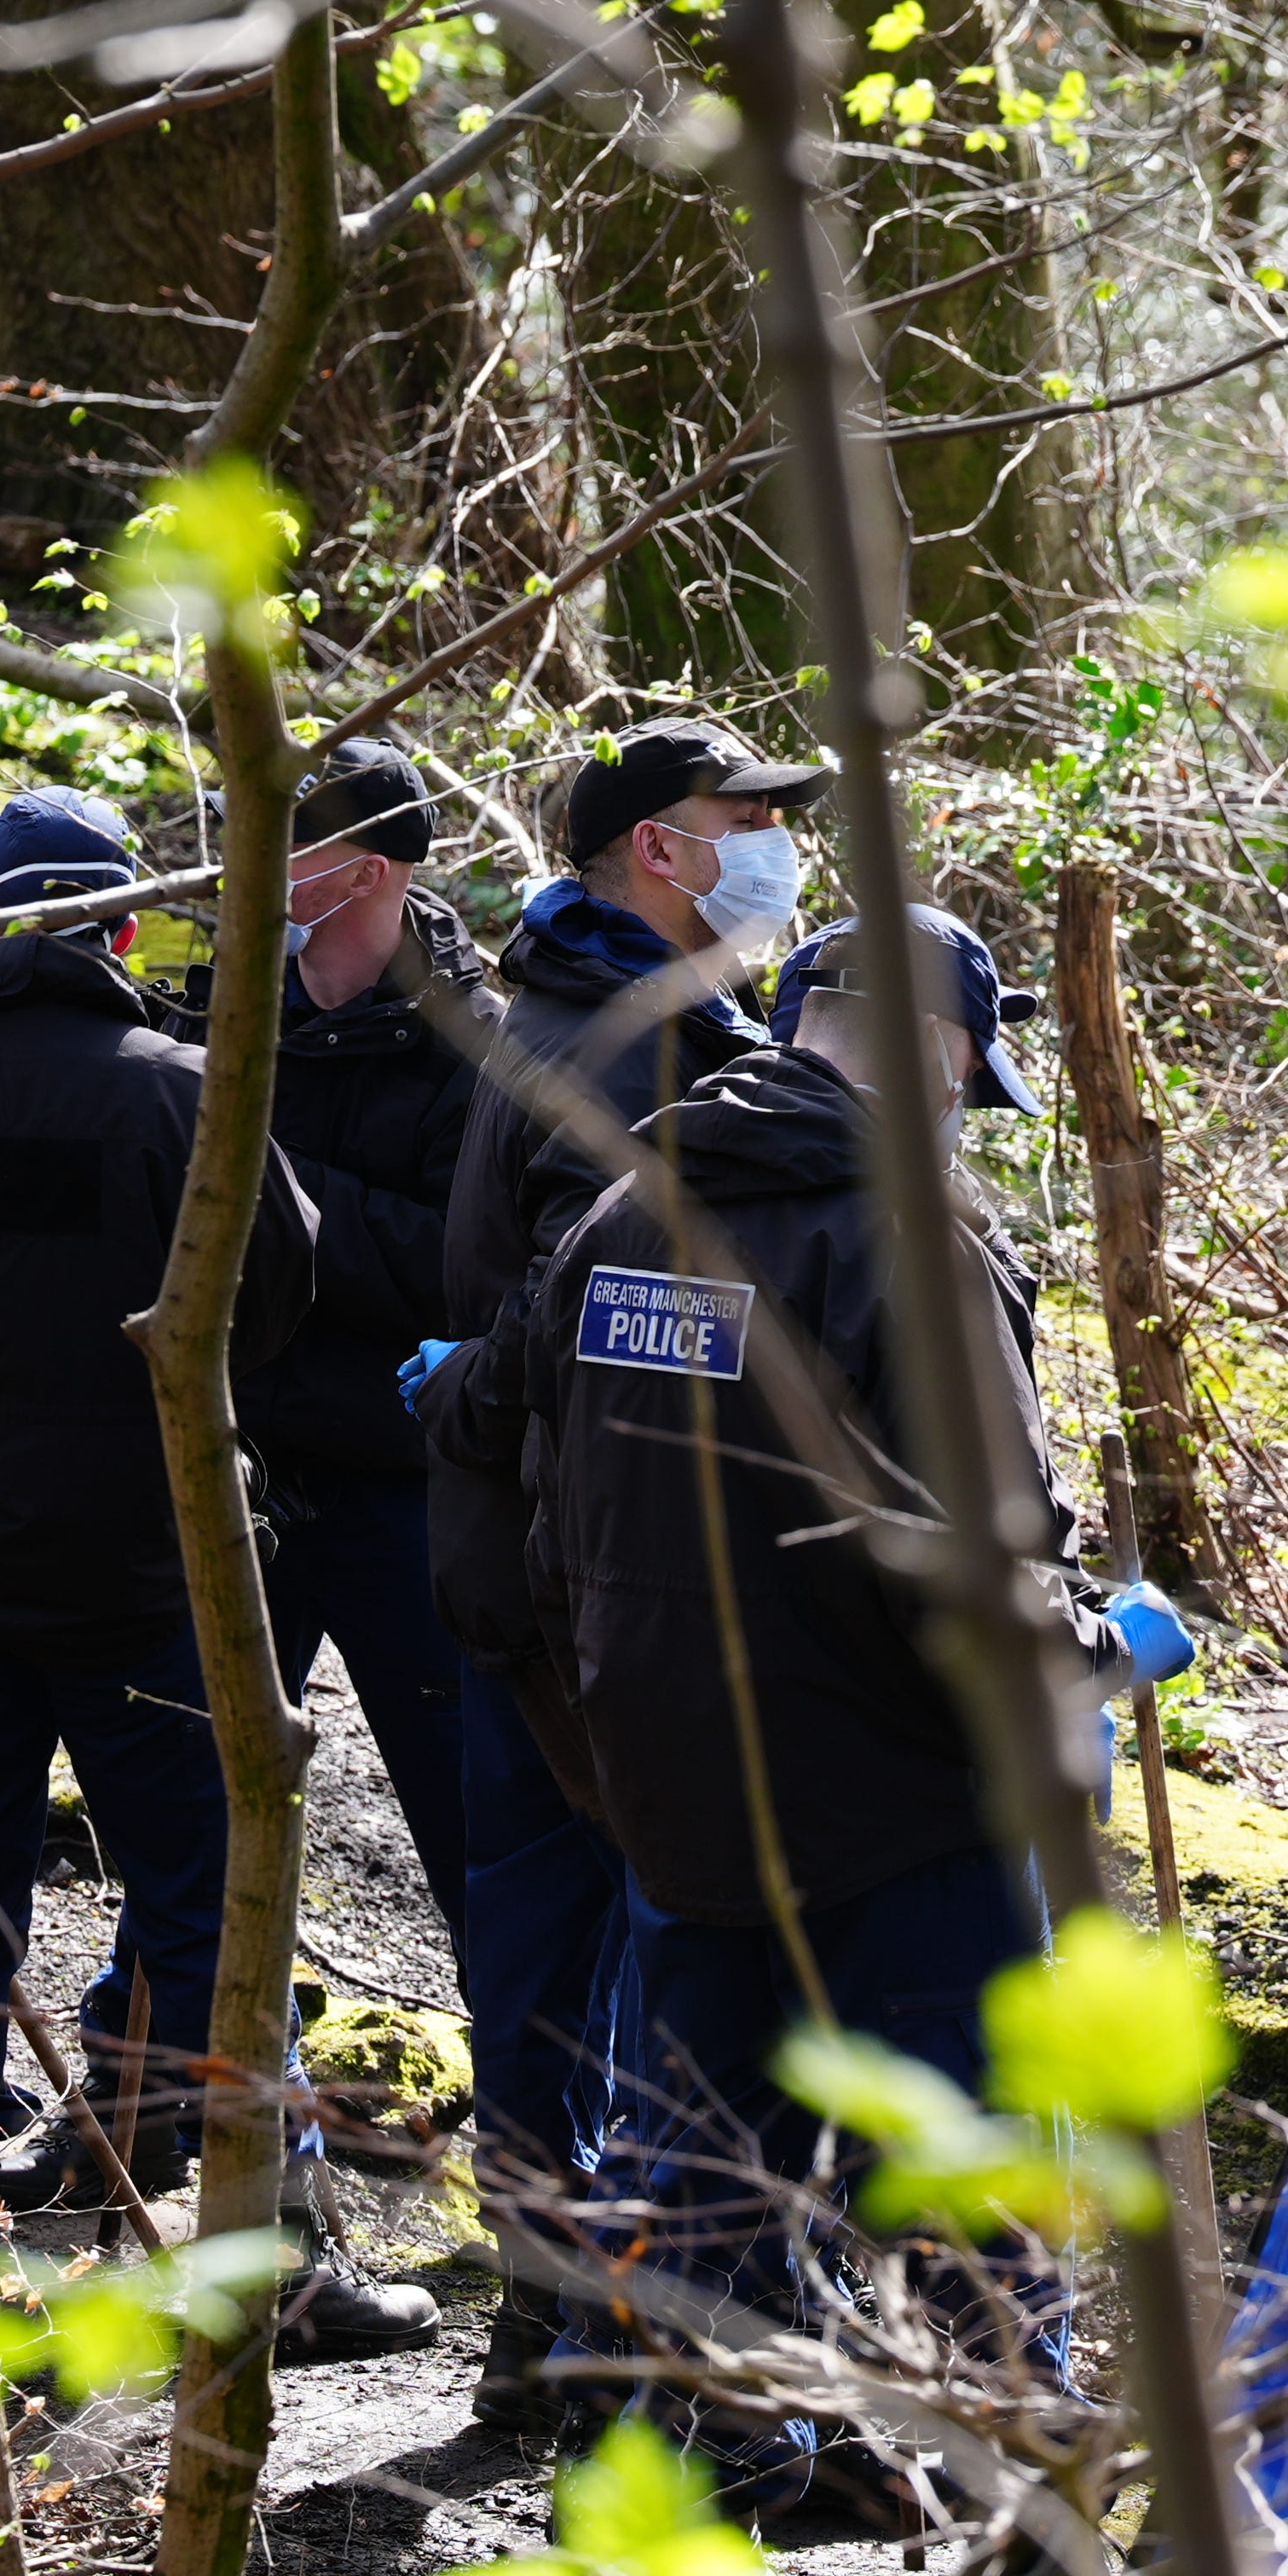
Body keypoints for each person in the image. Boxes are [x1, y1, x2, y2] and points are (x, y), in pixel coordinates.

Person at [442, 900, 1181, 2512]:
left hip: (679, 1788)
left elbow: (524, 1476)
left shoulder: (623, 1209)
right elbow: (974, 1564)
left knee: (706, 2167)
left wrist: (606, 1722)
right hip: (908, 1809)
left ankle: (677, 2504)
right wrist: (1105, 1646)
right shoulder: (916, 1240)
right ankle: (1025, 2543)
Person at [0, 789, 435, 2364]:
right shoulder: (179, 1095)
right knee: (218, 1908)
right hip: (145, 1573)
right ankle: (271, 2264)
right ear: (129, 928)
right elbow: (276, 1297)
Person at [409, 710, 819, 2424]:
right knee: (637, 1949)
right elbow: (613, 1338)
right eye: (750, 818)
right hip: (594, 1591)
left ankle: (560, 2306)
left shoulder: (574, 1008)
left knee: (556, 1940)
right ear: (661, 843)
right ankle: (599, 2323)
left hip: (540, 1565)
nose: (777, 850)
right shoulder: (639, 1050)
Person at [182, 737, 489, 1936]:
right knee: (193, 1805)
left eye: (280, 843)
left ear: (367, 873)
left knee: (469, 1815)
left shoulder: (476, 1050)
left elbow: (452, 1272)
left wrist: (266, 1189)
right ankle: (149, 2087)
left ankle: (541, 2113)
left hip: (401, 1492)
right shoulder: (223, 1013)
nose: (237, 867)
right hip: (236, 1472)